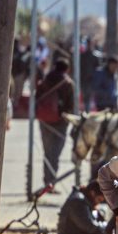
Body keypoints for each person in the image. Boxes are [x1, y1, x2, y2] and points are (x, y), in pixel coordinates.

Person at [35, 58, 75, 187]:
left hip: (45, 120)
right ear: (67, 69)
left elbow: (37, 99)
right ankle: (52, 182)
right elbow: (71, 104)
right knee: (56, 153)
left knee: (47, 152)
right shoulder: (68, 83)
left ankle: (46, 181)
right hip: (61, 121)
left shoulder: (45, 80)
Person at [80, 39, 102, 112]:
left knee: (90, 97)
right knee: (85, 97)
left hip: (92, 80)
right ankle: (86, 111)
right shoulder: (82, 56)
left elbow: (98, 68)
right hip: (84, 80)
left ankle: (88, 111)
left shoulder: (95, 56)